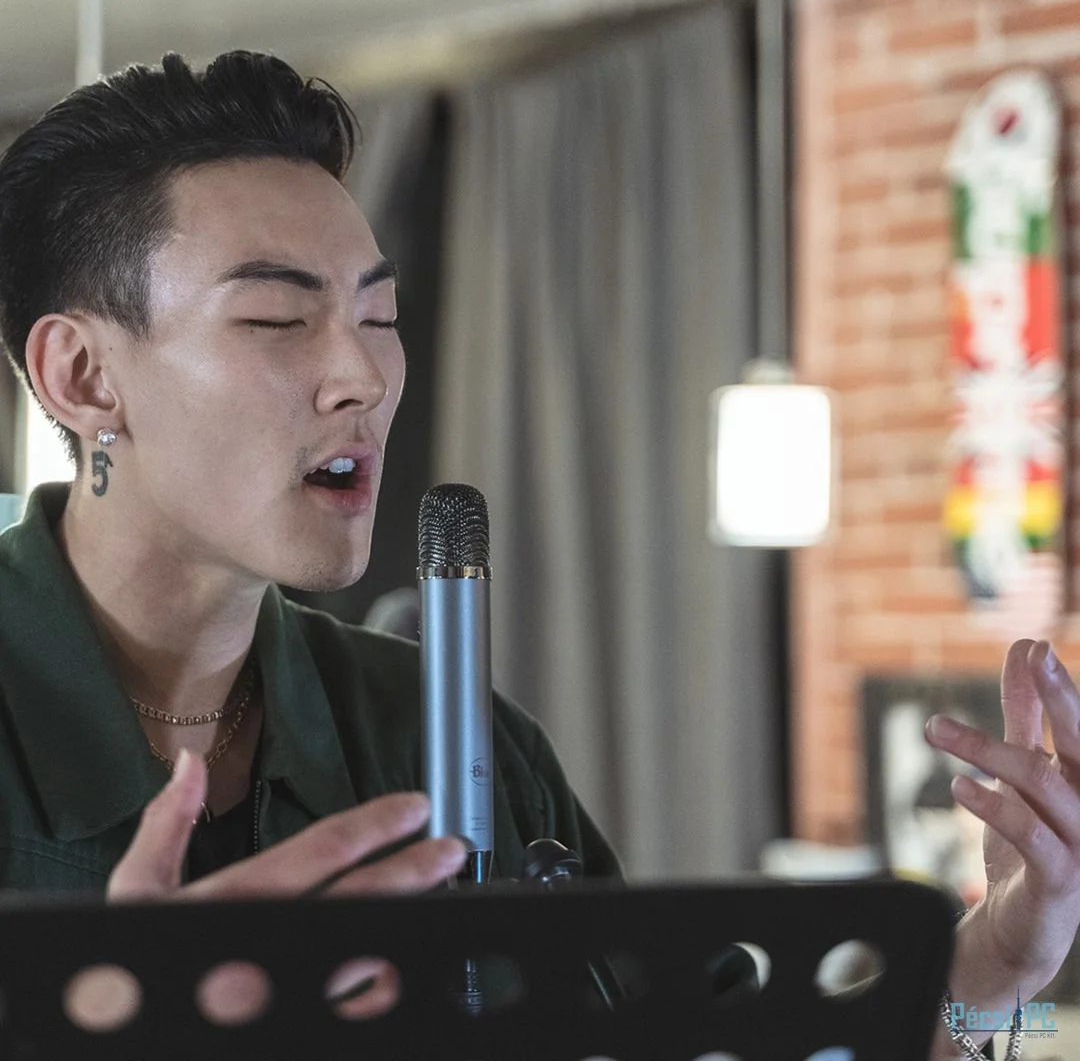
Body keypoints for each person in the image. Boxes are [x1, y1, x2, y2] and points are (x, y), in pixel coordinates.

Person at [0, 51, 1077, 1057]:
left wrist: (991, 966)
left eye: (380, 316)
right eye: (279, 318)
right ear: (84, 377)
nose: (362, 378)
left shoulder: (442, 730)